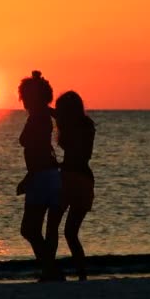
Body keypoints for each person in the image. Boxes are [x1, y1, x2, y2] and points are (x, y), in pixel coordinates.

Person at [16, 70, 63, 281]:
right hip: (50, 175)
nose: (23, 100)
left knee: (29, 228)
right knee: (46, 229)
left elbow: (36, 151)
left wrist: (28, 179)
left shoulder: (38, 117)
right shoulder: (44, 114)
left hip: (42, 176)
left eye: (25, 96)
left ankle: (51, 269)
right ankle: (49, 271)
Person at [51, 91, 95, 281]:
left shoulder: (72, 127)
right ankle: (82, 274)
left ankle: (51, 270)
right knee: (71, 232)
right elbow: (82, 156)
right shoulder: (87, 125)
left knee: (53, 227)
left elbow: (73, 155)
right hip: (85, 179)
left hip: (70, 179)